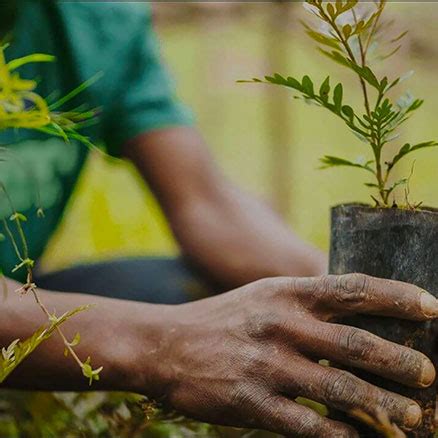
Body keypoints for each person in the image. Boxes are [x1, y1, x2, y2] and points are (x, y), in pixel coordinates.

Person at [0, 3, 436, 437]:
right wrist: (166, 347)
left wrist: (352, 302)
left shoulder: (96, 21)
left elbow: (205, 204)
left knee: (192, 292)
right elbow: (166, 337)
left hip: (19, 294)